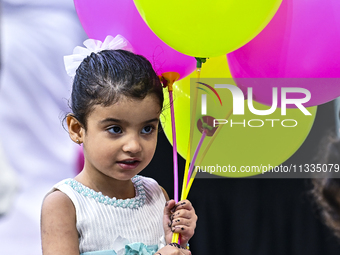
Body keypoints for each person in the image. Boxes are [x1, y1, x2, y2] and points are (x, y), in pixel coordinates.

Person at [40, 35, 197, 255]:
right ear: (77, 129)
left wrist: (178, 243)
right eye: (115, 129)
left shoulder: (157, 194)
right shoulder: (65, 204)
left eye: (147, 129)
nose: (133, 145)